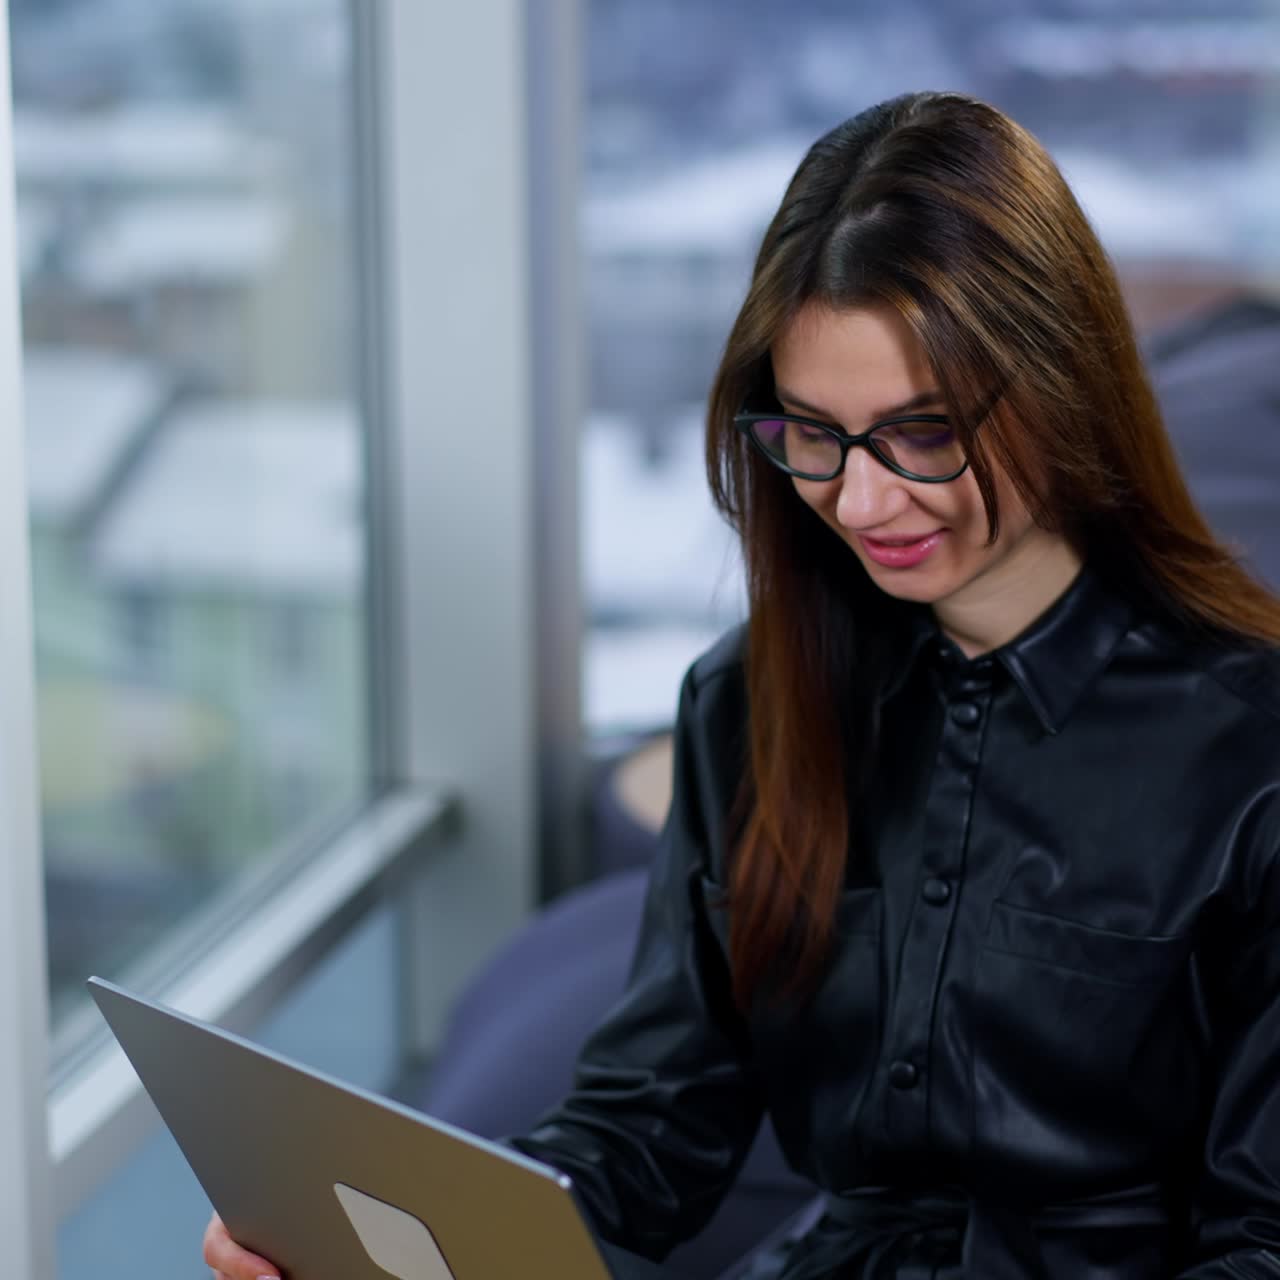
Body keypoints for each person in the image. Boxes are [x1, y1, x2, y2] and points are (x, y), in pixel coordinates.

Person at [204, 90, 1280, 1280]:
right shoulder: (751, 702)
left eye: (921, 434)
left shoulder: (1249, 748)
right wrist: (379, 1238)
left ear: (1057, 382)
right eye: (810, 435)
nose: (859, 503)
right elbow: (644, 1135)